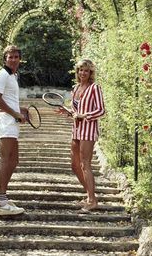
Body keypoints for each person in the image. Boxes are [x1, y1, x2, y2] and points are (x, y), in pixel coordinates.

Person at [61, 59, 105, 210]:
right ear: (77, 71)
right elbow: (75, 112)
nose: (83, 73)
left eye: (86, 70)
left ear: (91, 72)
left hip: (88, 130)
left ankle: (92, 200)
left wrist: (84, 115)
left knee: (85, 164)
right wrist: (68, 113)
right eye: (80, 70)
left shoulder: (95, 88)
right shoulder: (75, 88)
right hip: (76, 130)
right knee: (74, 165)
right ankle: (89, 195)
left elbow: (101, 110)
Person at [0, 44, 27, 216]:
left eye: (16, 57)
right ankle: (1, 201)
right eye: (10, 57)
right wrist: (14, 113)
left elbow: (9, 99)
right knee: (6, 160)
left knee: (14, 161)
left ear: (20, 59)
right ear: (5, 58)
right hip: (6, 121)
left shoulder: (13, 76)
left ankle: (1, 198)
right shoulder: (2, 75)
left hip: (12, 121)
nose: (13, 60)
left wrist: (21, 111)